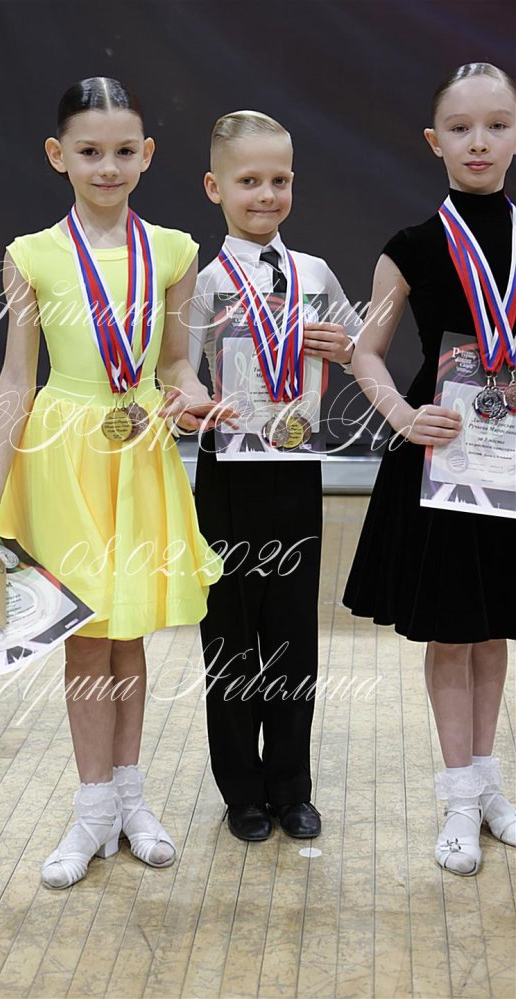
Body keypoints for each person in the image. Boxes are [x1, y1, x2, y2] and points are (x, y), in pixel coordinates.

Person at [0, 78, 226, 889]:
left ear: (147, 154)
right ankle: (92, 805)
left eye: (123, 151)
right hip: (64, 456)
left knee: (127, 629)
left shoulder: (174, 250)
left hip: (139, 450)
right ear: (58, 155)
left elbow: (175, 362)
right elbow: (16, 378)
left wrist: (191, 396)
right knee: (84, 635)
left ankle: (132, 799)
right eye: (89, 151)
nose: (108, 166)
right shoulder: (32, 254)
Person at [343, 63, 516, 875]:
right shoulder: (410, 246)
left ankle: (489, 783)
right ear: (433, 140)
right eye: (460, 127)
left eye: (497, 125)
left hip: (511, 456)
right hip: (442, 453)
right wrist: (403, 417)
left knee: (495, 623)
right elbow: (366, 353)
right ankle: (457, 797)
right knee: (453, 626)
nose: (479, 141)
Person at [189, 111, 362, 842]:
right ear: (215, 188)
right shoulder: (203, 282)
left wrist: (343, 344)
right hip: (227, 470)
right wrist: (193, 404)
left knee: (292, 631)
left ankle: (292, 785)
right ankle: (242, 791)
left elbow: (358, 346)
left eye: (280, 180)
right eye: (249, 181)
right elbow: (176, 375)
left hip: (294, 466)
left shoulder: (314, 273)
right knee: (230, 632)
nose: (266, 194)